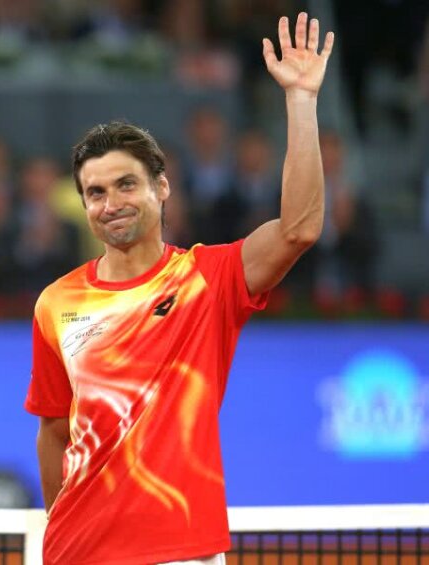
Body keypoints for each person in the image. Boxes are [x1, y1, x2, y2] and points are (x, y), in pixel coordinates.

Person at [25, 13, 334, 565]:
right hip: (77, 551)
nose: (110, 203)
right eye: (95, 192)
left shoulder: (208, 278)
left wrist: (301, 101)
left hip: (180, 549)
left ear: (162, 187)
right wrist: (60, 530)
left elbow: (300, 228)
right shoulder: (55, 303)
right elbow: (53, 430)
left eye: (126, 184)